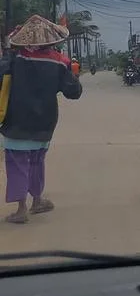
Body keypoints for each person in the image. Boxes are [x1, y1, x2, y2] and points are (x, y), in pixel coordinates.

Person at [1, 15, 82, 224]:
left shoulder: (14, 58)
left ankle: (21, 210)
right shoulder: (59, 62)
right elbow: (73, 92)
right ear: (51, 40)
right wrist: (73, 74)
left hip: (15, 120)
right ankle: (37, 201)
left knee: (17, 162)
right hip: (45, 121)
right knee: (37, 161)